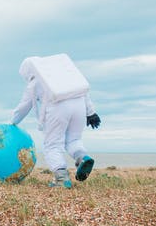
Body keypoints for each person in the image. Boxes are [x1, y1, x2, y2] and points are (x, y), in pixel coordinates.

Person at [11, 56, 101, 188]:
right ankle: (82, 157)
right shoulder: (64, 74)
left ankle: (61, 179)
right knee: (74, 140)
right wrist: (91, 113)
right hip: (79, 106)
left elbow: (24, 106)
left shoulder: (35, 82)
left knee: (52, 145)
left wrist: (12, 123)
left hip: (57, 108)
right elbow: (83, 91)